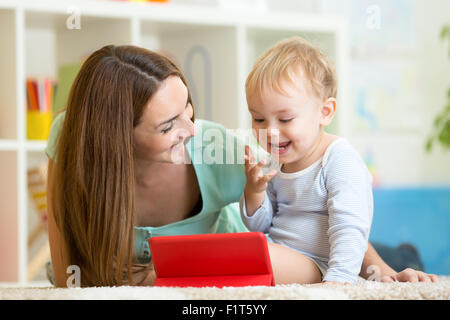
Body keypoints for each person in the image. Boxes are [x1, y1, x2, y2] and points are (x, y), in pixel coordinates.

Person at [46, 44, 438, 287]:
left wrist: (380, 270)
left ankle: (403, 255)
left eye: (189, 108)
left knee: (383, 259)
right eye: (169, 126)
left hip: (296, 250)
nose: (192, 130)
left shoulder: (217, 148)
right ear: (115, 138)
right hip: (280, 242)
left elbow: (337, 217)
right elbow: (65, 257)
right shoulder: (74, 137)